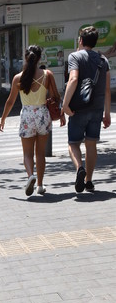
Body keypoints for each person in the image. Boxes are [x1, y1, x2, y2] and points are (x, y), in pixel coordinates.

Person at [0, 45, 65, 196]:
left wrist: (3, 119)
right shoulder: (47, 75)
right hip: (43, 115)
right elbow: (55, 97)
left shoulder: (18, 78)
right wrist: (61, 115)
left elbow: (10, 101)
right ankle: (40, 185)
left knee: (27, 154)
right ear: (39, 58)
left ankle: (30, 176)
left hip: (27, 116)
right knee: (40, 153)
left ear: (25, 58)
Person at [62, 26, 111, 193]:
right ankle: (88, 181)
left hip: (78, 109)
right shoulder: (103, 60)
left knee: (73, 144)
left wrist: (65, 105)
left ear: (81, 40)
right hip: (97, 109)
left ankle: (79, 169)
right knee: (91, 145)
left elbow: (73, 79)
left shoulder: (74, 57)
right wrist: (107, 114)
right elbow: (106, 90)